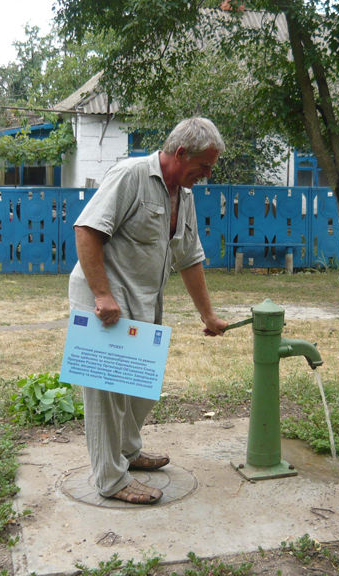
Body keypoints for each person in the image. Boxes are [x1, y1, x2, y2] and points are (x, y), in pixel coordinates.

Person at [68, 117, 229, 505]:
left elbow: (190, 258)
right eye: (203, 166)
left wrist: (208, 315)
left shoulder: (184, 197)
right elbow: (87, 230)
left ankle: (127, 451)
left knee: (141, 388)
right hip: (104, 301)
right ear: (179, 153)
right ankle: (110, 479)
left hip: (143, 303)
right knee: (105, 394)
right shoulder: (131, 175)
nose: (207, 175)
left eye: (211, 168)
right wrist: (102, 295)